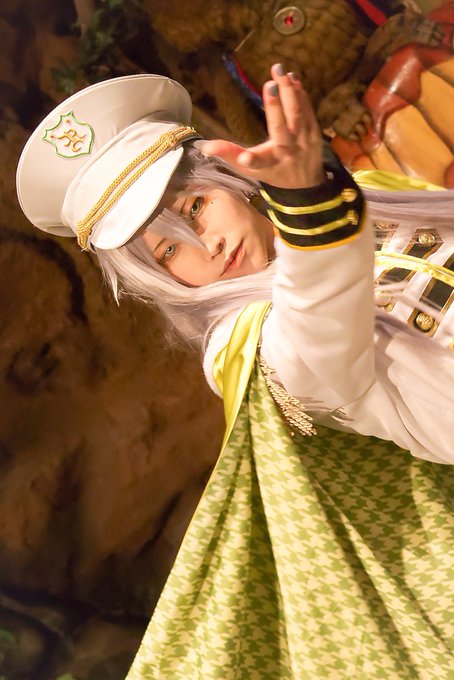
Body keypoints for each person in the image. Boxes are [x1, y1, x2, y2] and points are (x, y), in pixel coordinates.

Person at [17, 67, 454, 678]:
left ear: (228, 179)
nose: (208, 247)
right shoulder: (245, 346)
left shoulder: (364, 196)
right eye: (170, 253)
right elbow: (319, 335)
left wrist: (314, 201)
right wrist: (307, 207)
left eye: (194, 207)